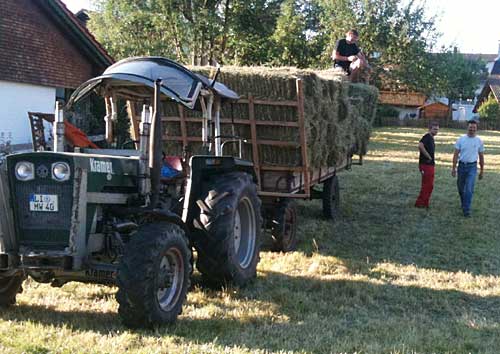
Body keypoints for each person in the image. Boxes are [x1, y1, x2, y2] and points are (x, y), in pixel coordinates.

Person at [451, 120, 485, 217]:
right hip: (461, 166)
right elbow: (456, 154)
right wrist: (453, 168)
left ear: (476, 129)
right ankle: (464, 203)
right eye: (470, 127)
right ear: (467, 128)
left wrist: (482, 171)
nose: (472, 129)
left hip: (472, 167)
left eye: (474, 128)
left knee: (469, 188)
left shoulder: (479, 141)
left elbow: (481, 156)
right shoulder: (461, 139)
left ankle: (466, 209)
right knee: (461, 188)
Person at [415, 122, 439, 208]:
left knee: (430, 185)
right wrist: (428, 157)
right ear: (429, 129)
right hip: (426, 165)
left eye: (437, 129)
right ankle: (420, 203)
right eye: (434, 129)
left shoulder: (431, 138)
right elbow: (420, 146)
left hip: (430, 165)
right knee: (427, 185)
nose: (436, 131)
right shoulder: (427, 137)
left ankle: (425, 202)